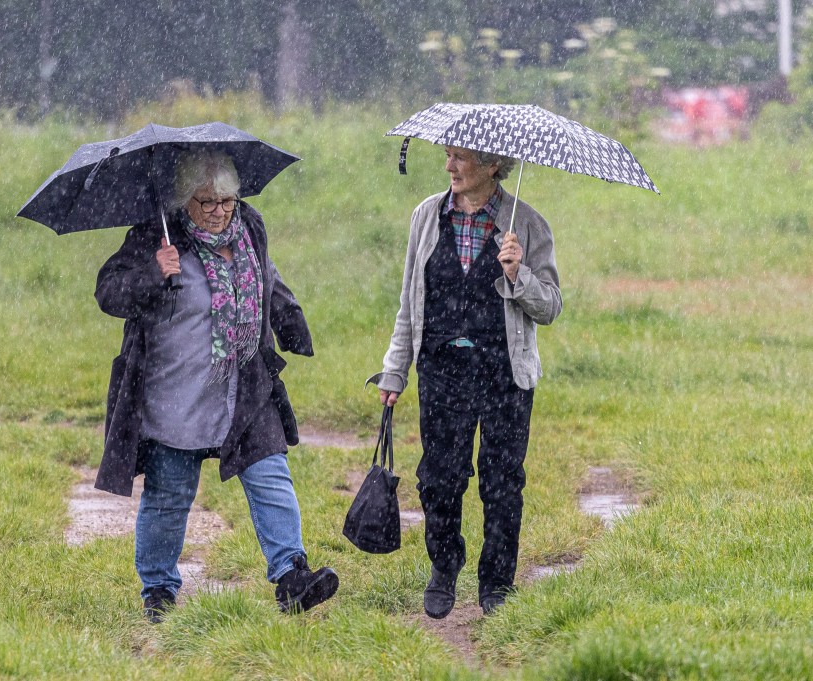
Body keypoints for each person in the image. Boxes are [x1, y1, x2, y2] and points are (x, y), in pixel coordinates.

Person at [94, 149, 338, 622]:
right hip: (174, 391)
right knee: (168, 496)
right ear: (184, 200)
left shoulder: (249, 226)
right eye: (206, 203)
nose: (218, 212)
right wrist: (153, 272)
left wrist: (291, 321)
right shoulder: (155, 235)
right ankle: (159, 593)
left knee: (271, 475)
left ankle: (292, 576)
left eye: (226, 201)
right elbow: (108, 291)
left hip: (243, 384)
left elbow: (266, 277)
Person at [368, 145, 561, 618]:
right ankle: (444, 565)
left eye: (462, 158)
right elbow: (409, 302)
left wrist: (520, 275)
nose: (450, 166)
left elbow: (550, 306)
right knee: (438, 478)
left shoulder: (528, 224)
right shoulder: (426, 217)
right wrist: (395, 369)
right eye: (449, 156)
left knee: (502, 482)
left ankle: (496, 582)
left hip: (504, 376)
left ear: (494, 166)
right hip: (442, 371)